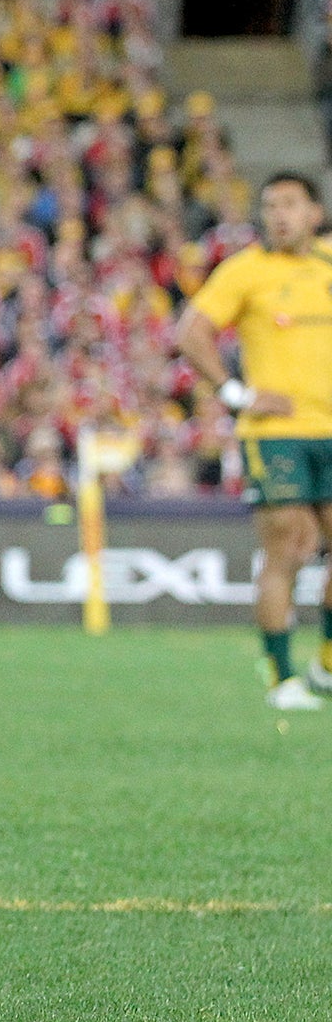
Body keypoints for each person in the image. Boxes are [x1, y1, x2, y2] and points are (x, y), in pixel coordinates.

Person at [177, 172, 332, 711]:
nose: (279, 215)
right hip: (277, 436)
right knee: (289, 547)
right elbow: (191, 331)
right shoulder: (246, 271)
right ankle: (282, 679)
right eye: (269, 206)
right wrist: (236, 392)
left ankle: (327, 666)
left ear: (316, 212)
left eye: (290, 204)